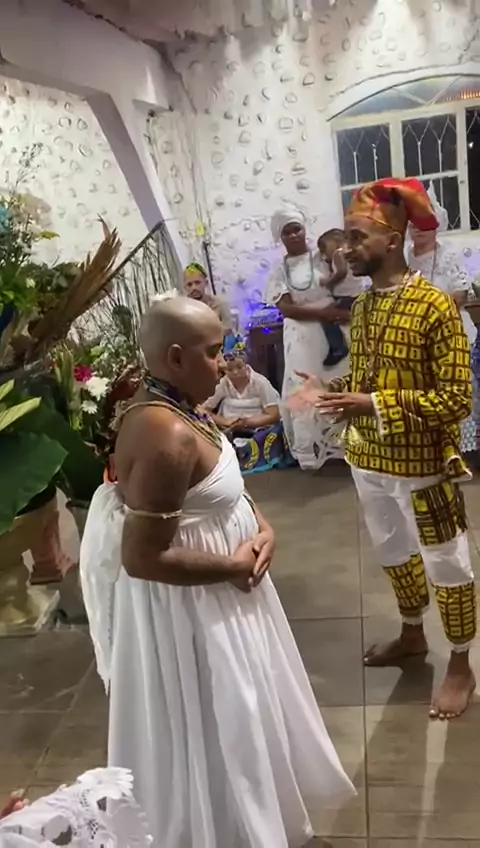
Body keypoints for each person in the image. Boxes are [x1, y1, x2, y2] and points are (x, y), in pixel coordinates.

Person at [79, 294, 354, 847]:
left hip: (223, 591)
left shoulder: (185, 405)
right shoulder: (166, 435)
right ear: (175, 358)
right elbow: (143, 557)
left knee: (244, 710)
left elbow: (224, 490)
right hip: (193, 610)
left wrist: (263, 525)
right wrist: (230, 565)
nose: (225, 361)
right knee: (218, 717)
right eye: (213, 351)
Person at [311, 178, 476, 720]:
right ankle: (411, 634)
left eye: (357, 237)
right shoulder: (361, 307)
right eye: (345, 238)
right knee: (392, 550)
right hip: (367, 458)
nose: (346, 249)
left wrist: (375, 403)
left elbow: (455, 399)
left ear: (393, 238)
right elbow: (365, 377)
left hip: (422, 464)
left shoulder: (435, 307)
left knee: (445, 562)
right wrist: (331, 392)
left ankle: (460, 663)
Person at [266, 208, 351, 470]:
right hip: (302, 333)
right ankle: (309, 452)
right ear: (280, 237)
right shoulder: (279, 271)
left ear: (304, 230)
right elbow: (286, 308)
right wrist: (322, 313)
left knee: (338, 382)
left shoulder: (322, 256)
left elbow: (344, 277)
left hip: (333, 330)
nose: (293, 235)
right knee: (304, 388)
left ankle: (347, 446)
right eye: (287, 232)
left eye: (297, 229)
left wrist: (341, 312)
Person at [407, 185, 478, 458]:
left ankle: (461, 451)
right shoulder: (402, 256)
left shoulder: (448, 254)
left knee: (454, 390)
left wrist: (427, 314)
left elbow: (459, 294)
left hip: (448, 332)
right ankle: (429, 450)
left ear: (437, 226)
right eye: (414, 224)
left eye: (426, 224)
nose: (419, 229)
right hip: (412, 338)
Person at [203, 341, 289, 473]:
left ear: (246, 365)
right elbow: (204, 410)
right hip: (230, 427)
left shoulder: (260, 383)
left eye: (239, 367)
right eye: (230, 369)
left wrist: (248, 422)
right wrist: (225, 421)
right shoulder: (222, 384)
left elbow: (273, 414)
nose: (235, 372)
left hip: (258, 427)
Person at [317, 228, 362, 367]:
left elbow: (341, 272)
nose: (324, 255)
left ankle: (337, 348)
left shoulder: (338, 253)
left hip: (346, 296)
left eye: (324, 249)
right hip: (356, 294)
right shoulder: (350, 252)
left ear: (333, 241)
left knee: (325, 316)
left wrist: (329, 282)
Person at [183, 262, 233, 335]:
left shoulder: (219, 304)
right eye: (189, 284)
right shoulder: (182, 310)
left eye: (197, 283)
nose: (194, 288)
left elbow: (228, 328)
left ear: (206, 283)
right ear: (185, 287)